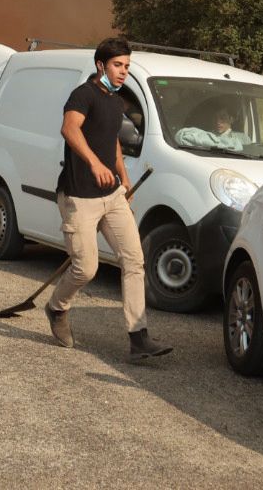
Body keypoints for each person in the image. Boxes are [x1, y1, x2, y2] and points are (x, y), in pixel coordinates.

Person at [44, 38, 172, 361]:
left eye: (127, 66)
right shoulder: (83, 95)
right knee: (86, 269)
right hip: (78, 196)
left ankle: (138, 338)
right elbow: (69, 129)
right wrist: (94, 163)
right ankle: (56, 307)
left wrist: (122, 176)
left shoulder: (116, 101)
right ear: (101, 65)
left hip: (112, 194)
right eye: (118, 65)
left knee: (134, 260)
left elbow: (111, 140)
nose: (123, 72)